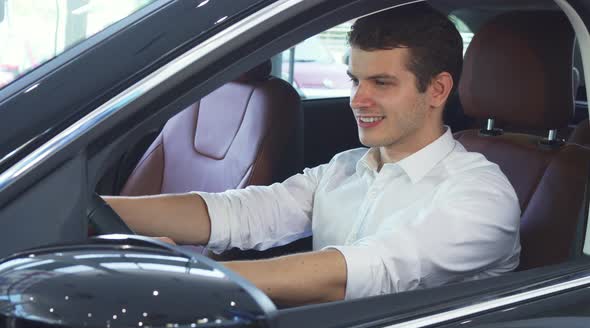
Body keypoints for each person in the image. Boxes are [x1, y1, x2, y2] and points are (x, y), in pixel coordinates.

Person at [104, 3, 521, 307]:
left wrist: (187, 279)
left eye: (381, 82)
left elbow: (359, 274)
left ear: (437, 90)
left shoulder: (480, 196)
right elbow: (241, 212)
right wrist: (93, 208)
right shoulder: (346, 168)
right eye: (354, 79)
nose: (358, 99)